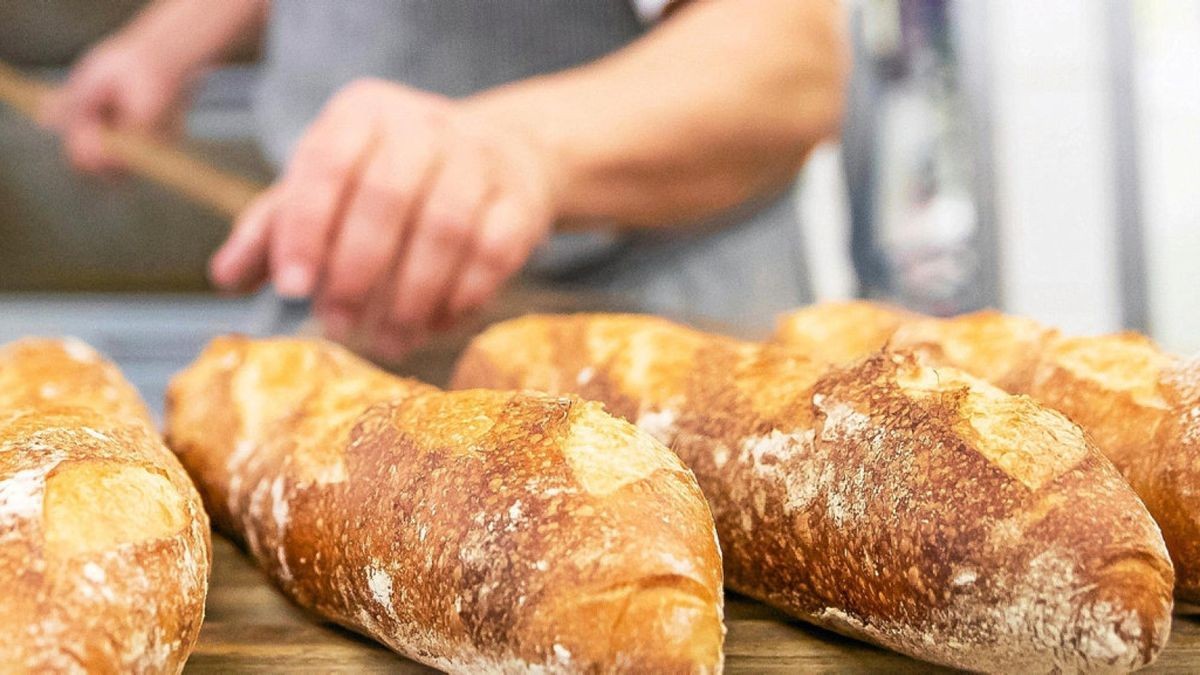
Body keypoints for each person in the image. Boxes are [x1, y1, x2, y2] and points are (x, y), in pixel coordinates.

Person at [44, 0, 847, 359]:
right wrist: (171, 38)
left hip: (641, 336)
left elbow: (793, 60)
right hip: (342, 311)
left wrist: (520, 150)